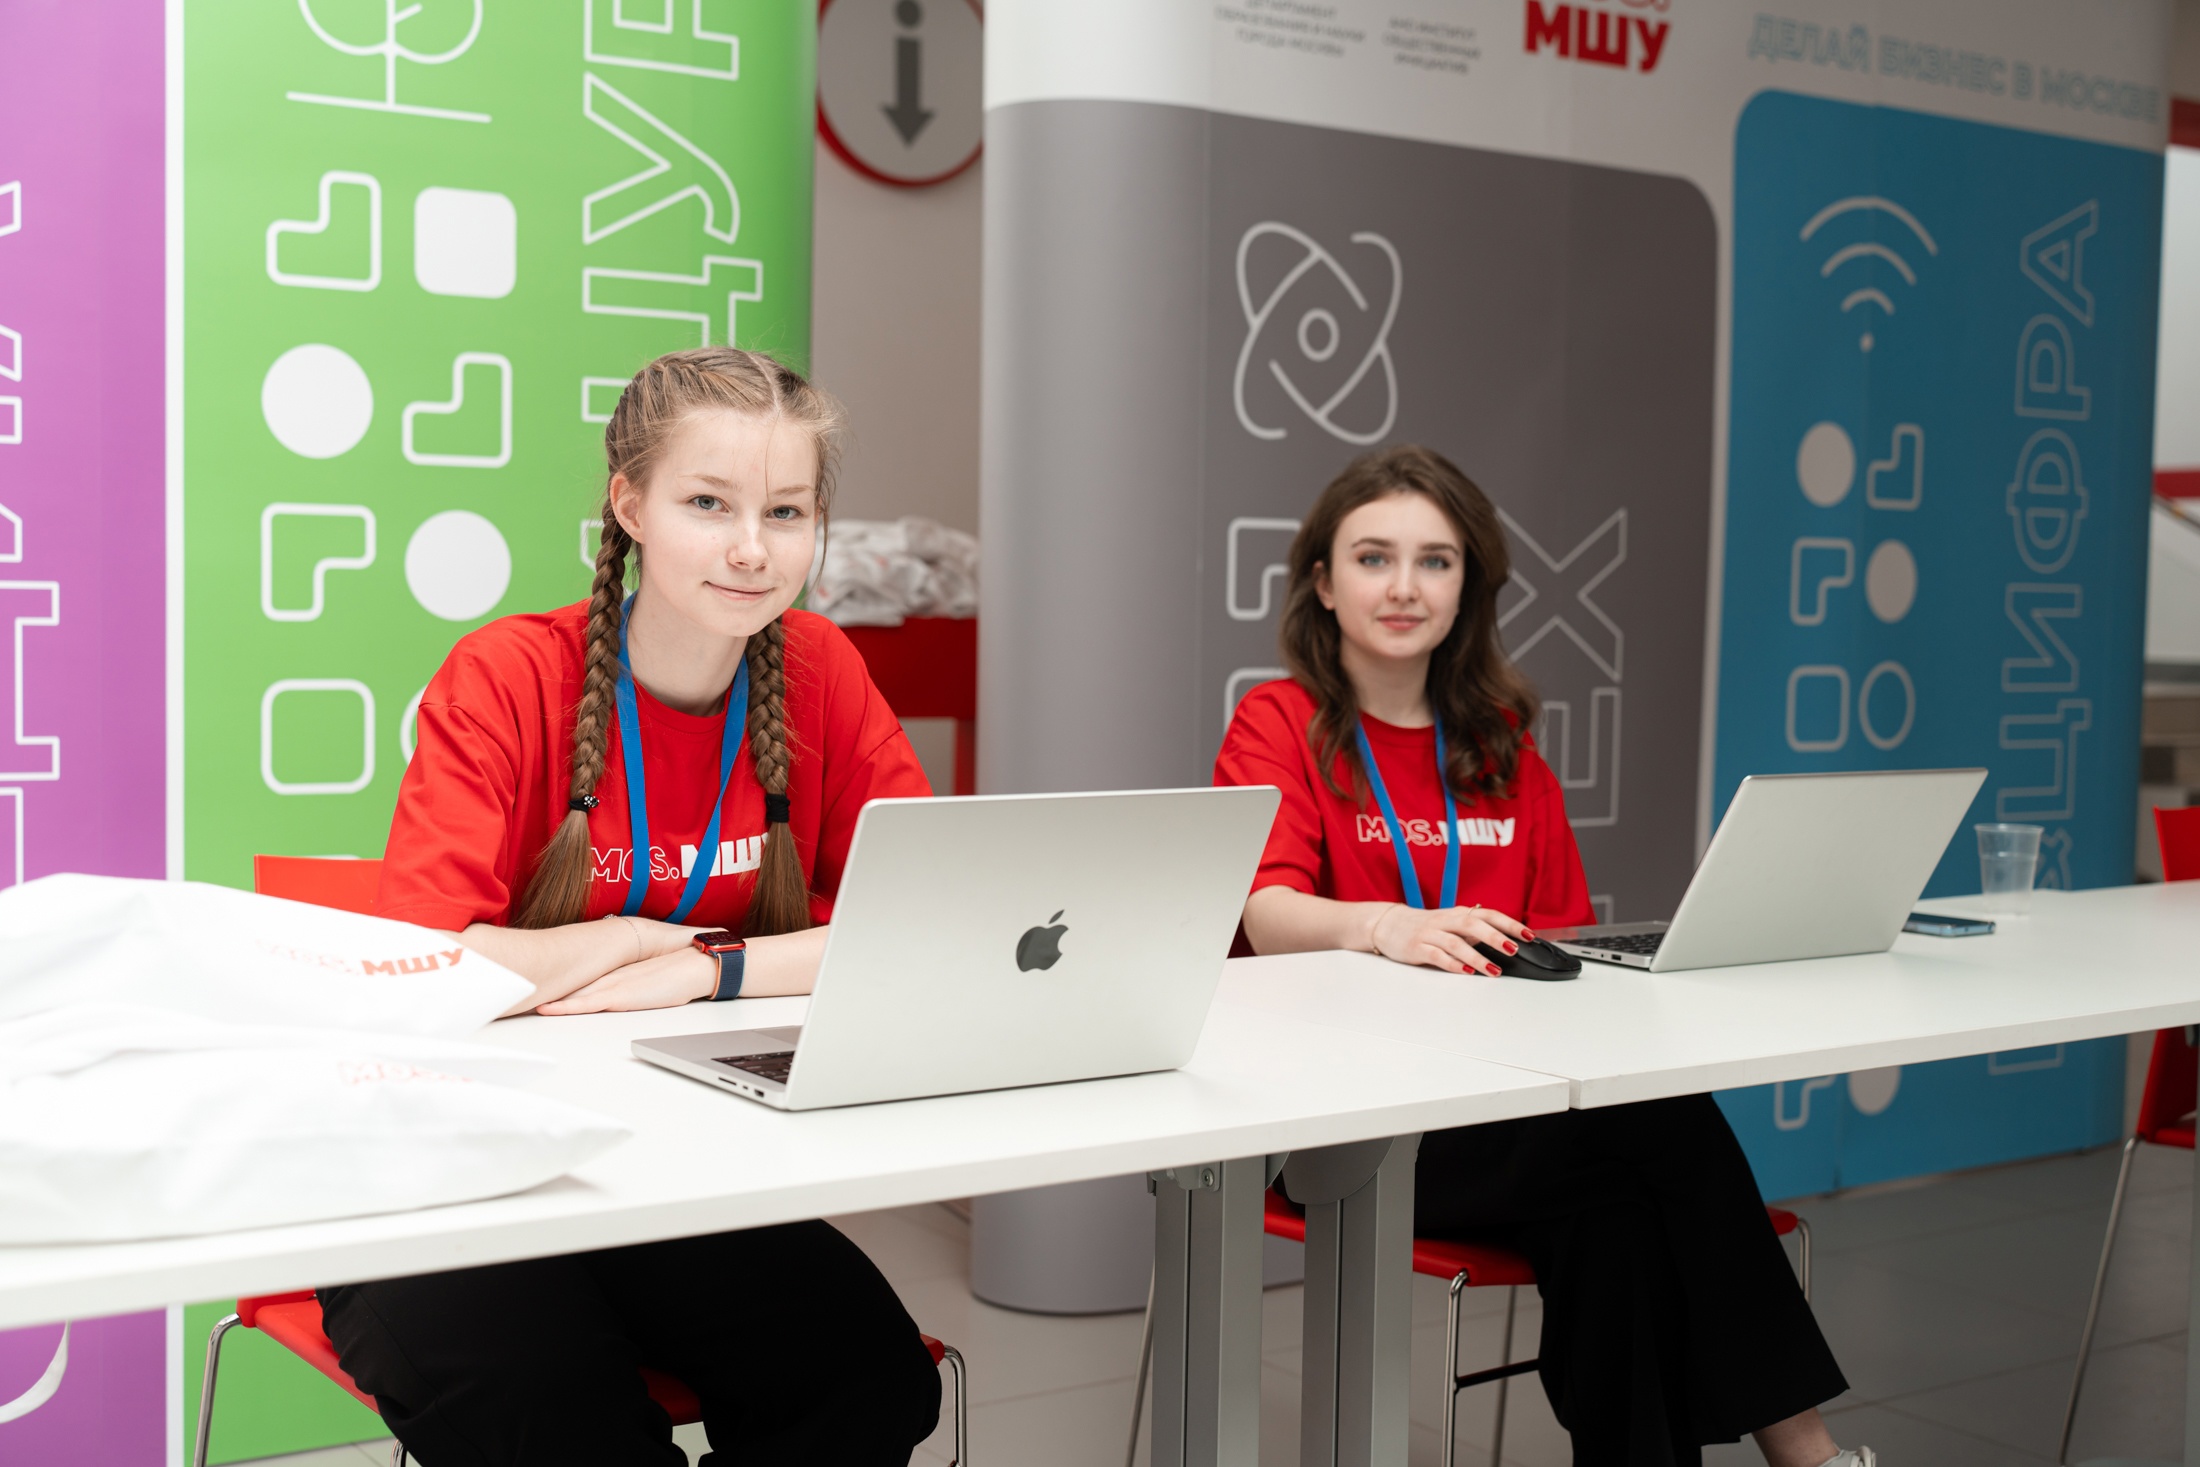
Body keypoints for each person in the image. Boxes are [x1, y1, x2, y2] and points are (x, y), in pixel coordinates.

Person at [318, 348, 943, 1466]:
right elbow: (424, 964)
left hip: (666, 1165)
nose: (752, 548)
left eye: (786, 511)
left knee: (868, 1383)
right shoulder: (510, 675)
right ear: (629, 505)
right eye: (708, 503)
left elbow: (924, 926)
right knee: (568, 1427)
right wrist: (627, 937)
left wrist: (711, 968)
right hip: (432, 1181)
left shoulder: (819, 669)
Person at [1213, 445, 1868, 1467]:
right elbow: (1265, 911)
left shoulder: (1501, 741)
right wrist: (1385, 925)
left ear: (1467, 586)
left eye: (1434, 561)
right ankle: (1811, 1454)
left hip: (1508, 1108)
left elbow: (1560, 946)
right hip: (1351, 1125)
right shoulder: (1279, 719)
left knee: (1614, 1223)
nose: (1403, 586)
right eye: (1373, 557)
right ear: (1322, 583)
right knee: (1658, 1121)